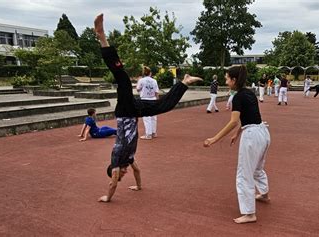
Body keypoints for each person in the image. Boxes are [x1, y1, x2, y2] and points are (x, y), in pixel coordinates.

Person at [94, 14, 202, 203]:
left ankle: (101, 37)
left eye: (120, 175)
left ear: (114, 172)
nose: (123, 174)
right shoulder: (129, 160)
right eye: (122, 176)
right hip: (135, 111)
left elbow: (112, 184)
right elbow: (137, 170)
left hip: (125, 111)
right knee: (163, 106)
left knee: (122, 78)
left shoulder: (117, 161)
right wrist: (139, 186)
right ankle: (184, 83)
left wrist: (107, 198)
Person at [204, 65, 271, 224]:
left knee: (244, 174)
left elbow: (233, 121)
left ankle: (249, 213)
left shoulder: (238, 97)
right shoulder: (249, 93)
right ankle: (264, 193)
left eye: (227, 78)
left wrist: (215, 138)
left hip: (252, 137)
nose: (226, 81)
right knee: (257, 168)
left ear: (234, 80)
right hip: (263, 132)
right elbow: (251, 117)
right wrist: (238, 133)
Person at [137, 66, 159, 140]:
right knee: (153, 117)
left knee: (147, 118)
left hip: (144, 100)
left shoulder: (141, 80)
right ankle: (153, 132)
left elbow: (138, 89)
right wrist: (157, 101)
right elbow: (156, 92)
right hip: (153, 99)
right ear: (150, 73)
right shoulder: (154, 81)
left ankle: (148, 134)